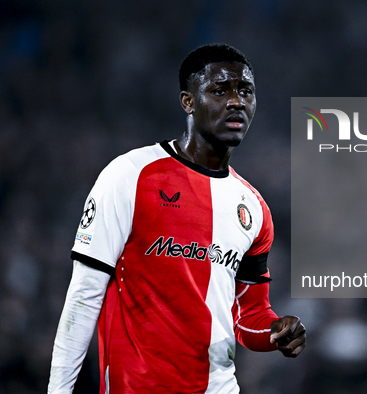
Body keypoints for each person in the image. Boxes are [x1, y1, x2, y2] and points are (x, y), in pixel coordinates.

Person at [48, 43, 306, 394]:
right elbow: (84, 294)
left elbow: (249, 318)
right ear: (188, 102)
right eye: (220, 90)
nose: (236, 102)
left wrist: (278, 331)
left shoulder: (254, 208)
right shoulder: (130, 175)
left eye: (245, 91)